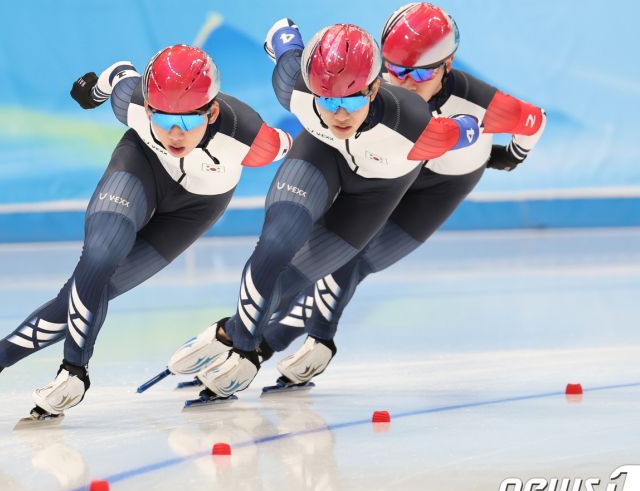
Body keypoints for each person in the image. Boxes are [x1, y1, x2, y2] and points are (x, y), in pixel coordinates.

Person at [0, 45, 291, 423]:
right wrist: (92, 91)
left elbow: (306, 143)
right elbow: (119, 73)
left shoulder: (253, 140)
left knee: (92, 291)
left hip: (194, 210)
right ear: (149, 108)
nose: (174, 132)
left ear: (213, 111)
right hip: (140, 170)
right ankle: (73, 371)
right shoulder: (134, 101)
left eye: (188, 121)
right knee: (100, 257)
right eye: (161, 118)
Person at [165, 21, 482, 405]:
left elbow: (461, 131)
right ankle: (243, 346)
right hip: (322, 156)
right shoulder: (295, 89)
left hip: (375, 193)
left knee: (307, 274)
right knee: (277, 244)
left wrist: (469, 128)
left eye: (350, 101)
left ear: (375, 87)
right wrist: (285, 36)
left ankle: (247, 335)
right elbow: (284, 41)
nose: (339, 114)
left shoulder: (412, 123)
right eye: (328, 101)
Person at [258, 3, 547, 391]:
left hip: (443, 185)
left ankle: (285, 341)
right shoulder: (371, 84)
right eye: (396, 70)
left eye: (421, 72)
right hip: (393, 171)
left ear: (448, 64)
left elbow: (533, 119)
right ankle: (256, 337)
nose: (407, 82)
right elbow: (299, 75)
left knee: (355, 262)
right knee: (326, 249)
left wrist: (510, 157)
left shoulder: (479, 103)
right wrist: (284, 41)